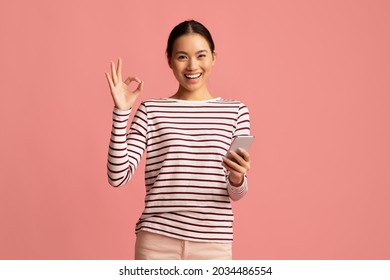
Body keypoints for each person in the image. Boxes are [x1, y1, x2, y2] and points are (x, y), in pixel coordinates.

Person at [105, 20, 251, 260]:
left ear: (214, 57)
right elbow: (117, 176)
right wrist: (121, 112)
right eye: (182, 56)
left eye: (201, 55)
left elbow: (237, 193)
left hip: (213, 244)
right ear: (169, 60)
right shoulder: (151, 110)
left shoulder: (236, 111)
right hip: (156, 241)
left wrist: (237, 178)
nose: (192, 65)